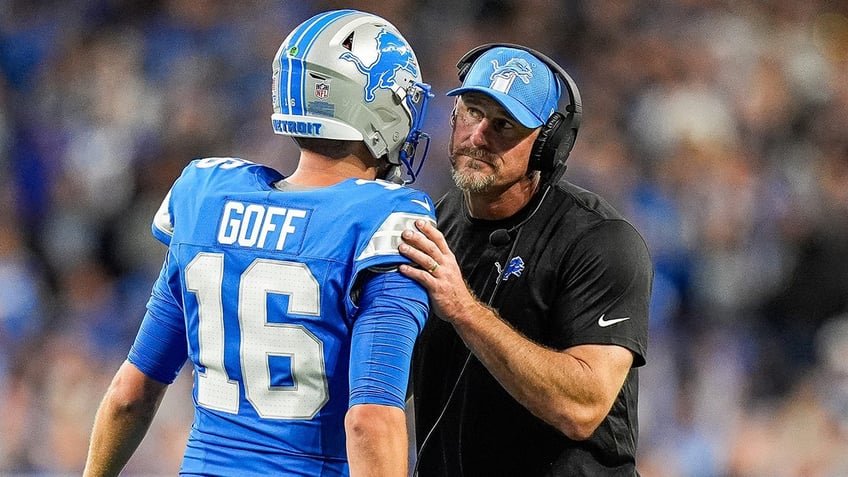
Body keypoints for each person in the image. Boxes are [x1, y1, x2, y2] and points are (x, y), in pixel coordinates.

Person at [83, 9, 436, 477]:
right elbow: (370, 421)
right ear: (378, 108)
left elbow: (131, 393)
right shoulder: (384, 219)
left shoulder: (205, 197)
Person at [397, 44, 653, 476]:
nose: (478, 136)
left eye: (503, 125)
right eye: (472, 112)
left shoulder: (600, 241)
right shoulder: (431, 225)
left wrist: (464, 310)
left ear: (547, 145)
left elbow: (583, 406)